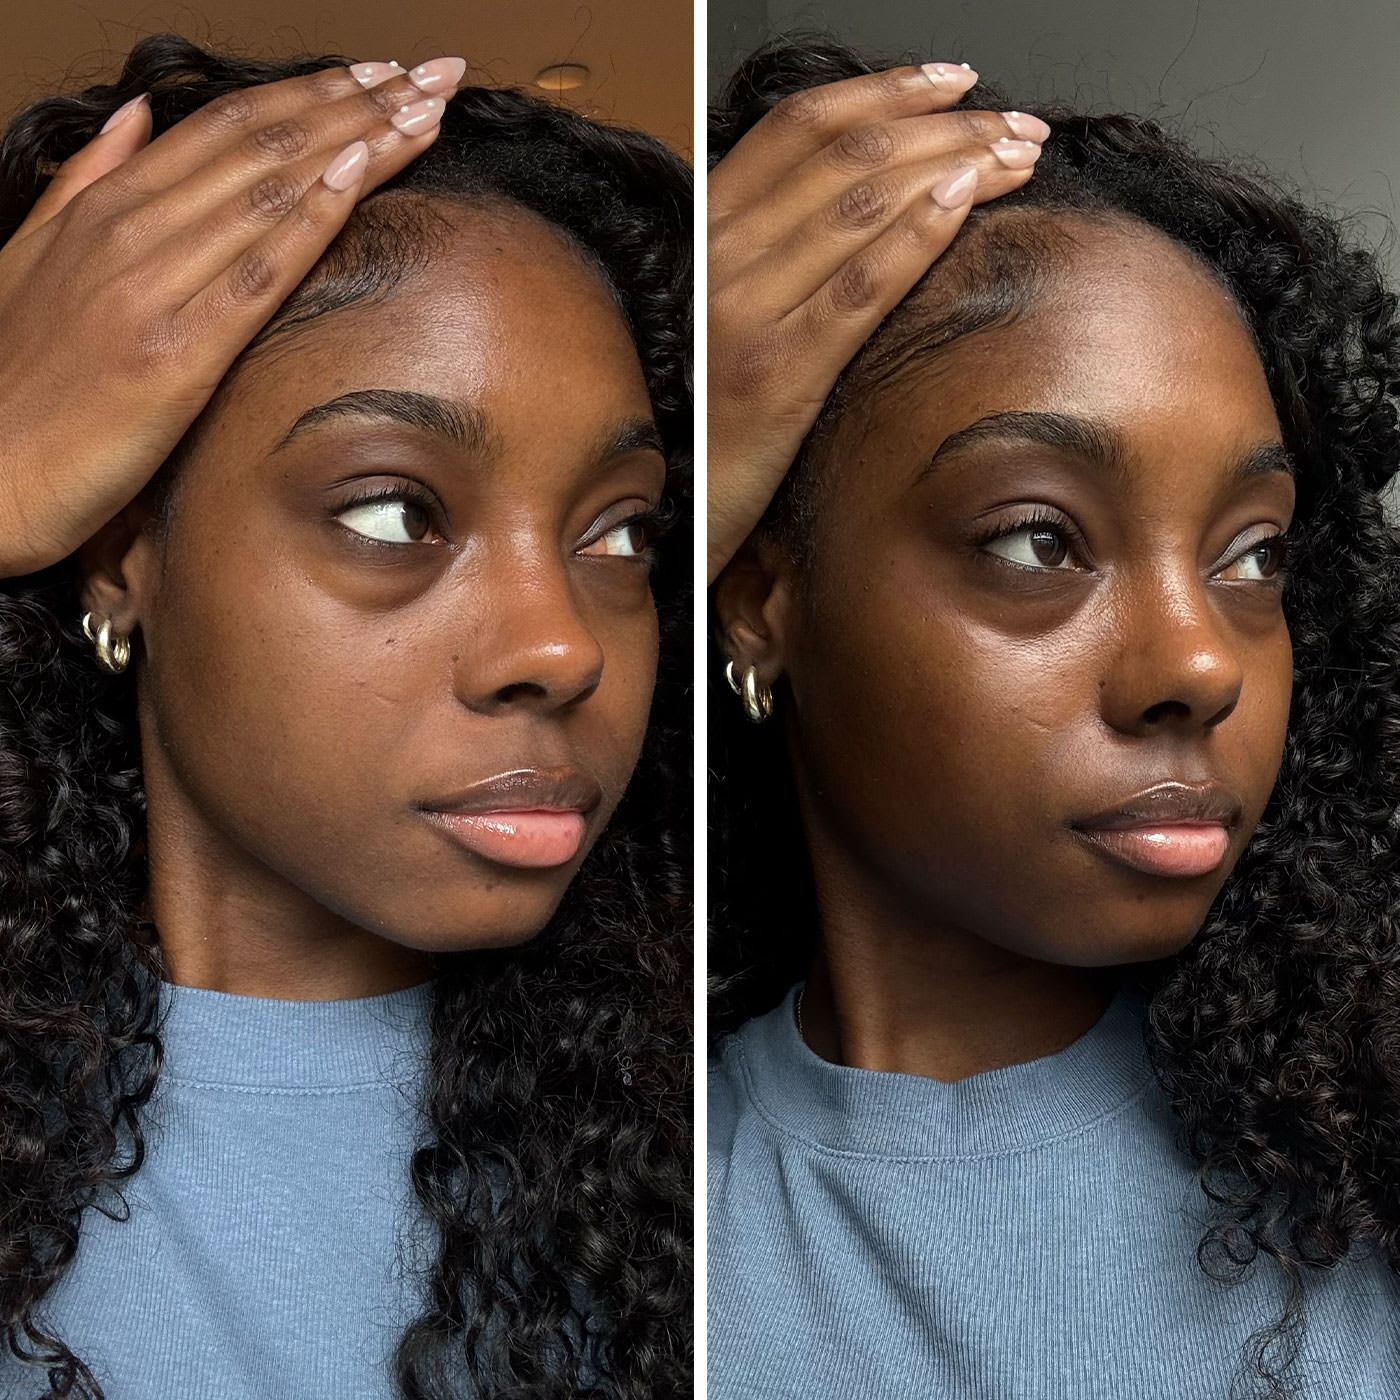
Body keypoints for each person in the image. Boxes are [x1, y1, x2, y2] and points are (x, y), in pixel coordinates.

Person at [0, 31, 691, 1400]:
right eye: (394, 512)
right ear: (120, 549)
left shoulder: (699, 1138)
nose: (560, 644)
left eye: (620, 535)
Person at [707, 37, 1400, 1400]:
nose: (1202, 660)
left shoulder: (1366, 1142)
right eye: (1039, 541)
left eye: (1252, 553)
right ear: (757, 597)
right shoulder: (605, 1189)